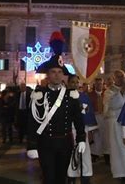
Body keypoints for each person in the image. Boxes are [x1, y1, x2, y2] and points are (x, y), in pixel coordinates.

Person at [26, 31, 86, 184]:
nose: (57, 75)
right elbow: (32, 121)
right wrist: (32, 145)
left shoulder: (71, 95)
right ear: (48, 74)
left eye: (60, 72)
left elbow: (78, 120)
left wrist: (81, 139)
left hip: (65, 143)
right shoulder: (40, 94)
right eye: (53, 72)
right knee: (49, 177)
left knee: (61, 177)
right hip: (45, 143)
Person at [104, 70, 125, 183]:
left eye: (123, 76)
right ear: (114, 78)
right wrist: (121, 93)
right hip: (117, 124)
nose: (121, 79)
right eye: (119, 77)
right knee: (120, 150)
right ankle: (122, 174)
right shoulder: (109, 91)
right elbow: (111, 105)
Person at [67, 75, 96, 184]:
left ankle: (86, 176)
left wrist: (90, 130)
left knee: (85, 154)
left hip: (83, 130)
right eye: (72, 82)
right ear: (68, 83)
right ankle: (71, 177)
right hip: (69, 131)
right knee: (71, 155)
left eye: (76, 82)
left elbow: (88, 113)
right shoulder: (64, 97)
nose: (75, 84)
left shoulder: (83, 96)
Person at [88, 77, 109, 164]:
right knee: (96, 137)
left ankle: (106, 154)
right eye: (97, 84)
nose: (99, 85)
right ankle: (95, 155)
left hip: (105, 117)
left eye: (100, 84)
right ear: (94, 85)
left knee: (106, 136)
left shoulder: (106, 94)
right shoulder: (90, 95)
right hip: (95, 116)